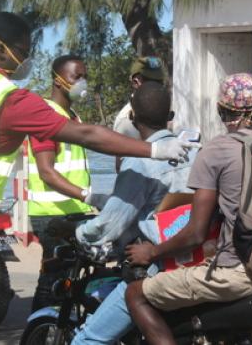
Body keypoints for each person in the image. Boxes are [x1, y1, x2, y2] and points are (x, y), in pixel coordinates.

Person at [0, 12, 197, 345]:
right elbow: (85, 134)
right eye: (22, 51)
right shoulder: (9, 98)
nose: (26, 60)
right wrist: (155, 151)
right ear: (1, 50)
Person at [125, 73, 252, 345]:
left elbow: (195, 233)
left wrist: (152, 251)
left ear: (220, 111)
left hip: (237, 270)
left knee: (136, 294)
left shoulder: (216, 151)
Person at [70, 81, 195, 344]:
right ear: (170, 118)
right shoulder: (194, 153)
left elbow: (111, 224)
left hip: (156, 266)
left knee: (87, 340)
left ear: (132, 118)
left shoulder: (139, 162)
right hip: (196, 260)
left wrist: (80, 234)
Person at [28, 54, 99, 311]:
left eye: (85, 76)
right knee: (52, 283)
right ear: (58, 81)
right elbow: (46, 172)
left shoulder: (71, 116)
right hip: (51, 214)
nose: (83, 82)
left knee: (69, 281)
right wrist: (87, 195)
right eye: (76, 77)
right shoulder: (45, 116)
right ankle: (37, 334)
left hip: (72, 211)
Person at [113, 56, 165, 172]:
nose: (157, 87)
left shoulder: (165, 108)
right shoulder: (125, 120)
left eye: (159, 82)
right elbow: (121, 167)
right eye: (151, 82)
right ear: (136, 82)